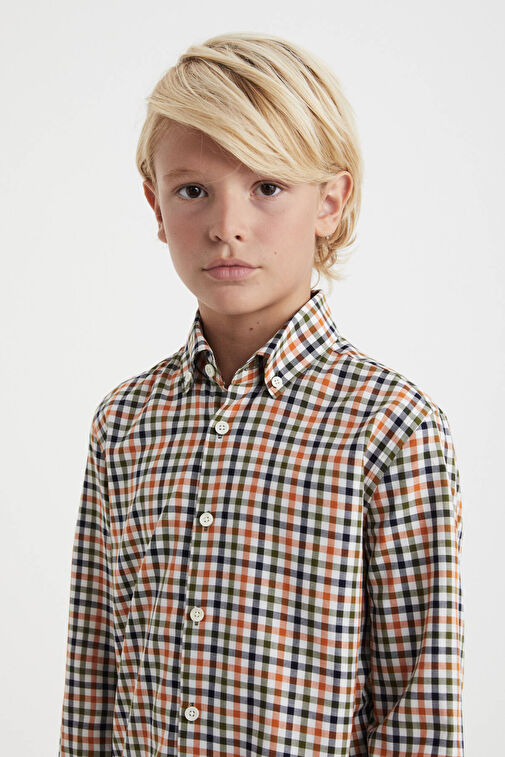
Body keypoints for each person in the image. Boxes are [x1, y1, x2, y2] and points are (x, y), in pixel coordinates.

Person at [58, 32, 464, 756]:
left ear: (329, 201)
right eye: (193, 191)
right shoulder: (123, 423)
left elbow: (417, 706)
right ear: (156, 206)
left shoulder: (391, 428)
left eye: (267, 187)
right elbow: (93, 672)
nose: (227, 226)